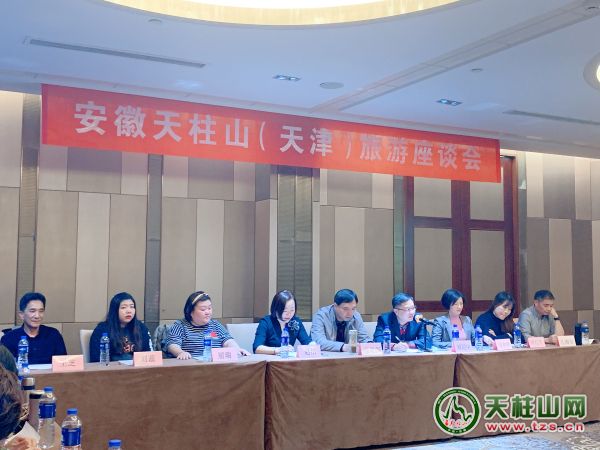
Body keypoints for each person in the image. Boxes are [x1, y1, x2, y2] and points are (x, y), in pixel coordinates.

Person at [165, 291, 250, 359]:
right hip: (191, 367)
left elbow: (228, 341)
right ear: (190, 311)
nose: (208, 312)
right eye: (203, 309)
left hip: (216, 366)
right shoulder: (180, 325)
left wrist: (236, 349)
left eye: (209, 308)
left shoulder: (215, 325)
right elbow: (172, 345)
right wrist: (180, 353)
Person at [1, 293, 67, 365]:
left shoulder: (53, 335)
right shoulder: (9, 338)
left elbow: (63, 365)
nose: (37, 316)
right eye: (32, 311)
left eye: (41, 311)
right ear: (21, 315)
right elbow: (5, 369)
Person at [89, 292, 153, 362]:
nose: (129, 311)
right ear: (115, 310)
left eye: (132, 307)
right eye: (123, 307)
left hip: (137, 367)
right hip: (112, 367)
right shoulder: (102, 330)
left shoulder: (141, 327)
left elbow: (149, 355)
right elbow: (96, 359)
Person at [253, 290, 311, 355]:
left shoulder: (296, 322)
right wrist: (277, 350)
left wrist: (313, 346)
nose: (289, 314)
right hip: (270, 360)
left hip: (288, 360)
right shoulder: (266, 322)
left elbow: (307, 341)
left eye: (292, 310)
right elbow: (257, 348)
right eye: (285, 311)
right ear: (276, 309)